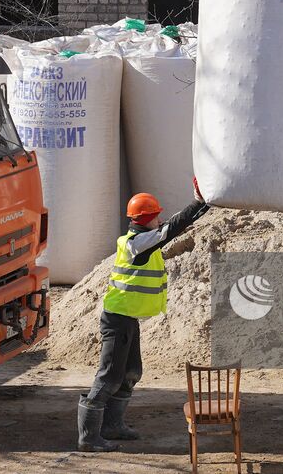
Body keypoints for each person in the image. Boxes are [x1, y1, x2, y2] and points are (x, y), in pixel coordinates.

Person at [77, 185, 211, 452]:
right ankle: (89, 438)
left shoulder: (142, 240)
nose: (160, 219)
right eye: (156, 215)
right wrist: (198, 203)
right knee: (108, 378)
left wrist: (205, 205)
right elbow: (171, 228)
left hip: (128, 318)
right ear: (145, 218)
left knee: (130, 373)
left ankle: (113, 426)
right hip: (117, 319)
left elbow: (169, 228)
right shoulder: (137, 243)